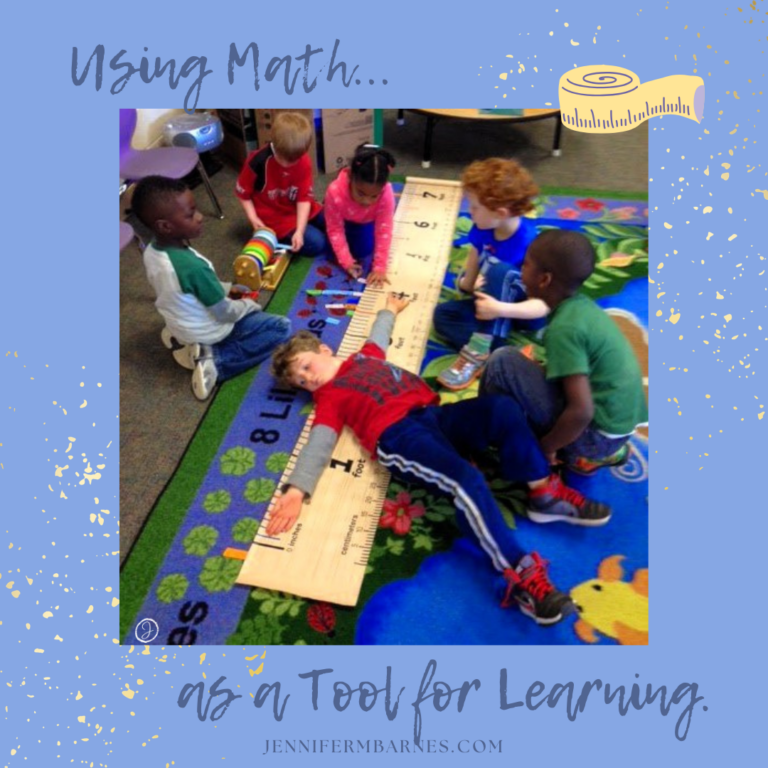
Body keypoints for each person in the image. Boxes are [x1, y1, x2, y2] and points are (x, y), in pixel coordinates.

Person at [266, 294, 613, 626]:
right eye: (301, 381)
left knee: (501, 409)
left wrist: (389, 308)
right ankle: (520, 572)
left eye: (306, 367)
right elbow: (320, 441)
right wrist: (297, 490)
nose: (308, 379)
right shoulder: (328, 397)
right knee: (466, 482)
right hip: (400, 437)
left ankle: (542, 491)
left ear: (324, 349)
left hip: (435, 416)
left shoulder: (364, 356)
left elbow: (379, 334)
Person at [481, 229, 648, 479]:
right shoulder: (581, 307)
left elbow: (582, 411)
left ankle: (487, 434)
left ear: (544, 279)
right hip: (619, 426)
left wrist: (547, 448)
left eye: (526, 264)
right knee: (531, 365)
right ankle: (580, 453)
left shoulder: (563, 329)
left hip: (595, 435)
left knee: (503, 361)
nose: (521, 270)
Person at [131, 175, 292, 401]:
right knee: (281, 328)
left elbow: (184, 289)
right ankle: (217, 361)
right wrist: (248, 305)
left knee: (218, 303)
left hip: (178, 323)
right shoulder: (194, 268)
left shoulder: (152, 252)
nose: (199, 218)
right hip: (209, 330)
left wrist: (226, 288)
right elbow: (225, 312)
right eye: (190, 214)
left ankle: (185, 340)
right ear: (165, 226)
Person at [433, 158, 547, 391]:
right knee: (443, 315)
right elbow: (474, 259)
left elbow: (543, 305)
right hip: (491, 306)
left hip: (522, 312)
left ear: (500, 212)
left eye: (474, 207)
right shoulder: (484, 227)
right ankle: (504, 355)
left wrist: (502, 309)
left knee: (501, 271)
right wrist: (468, 283)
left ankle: (478, 350)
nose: (469, 212)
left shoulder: (530, 245)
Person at [234, 112, 326, 256]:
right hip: (276, 218)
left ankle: (302, 231)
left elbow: (303, 199)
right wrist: (254, 218)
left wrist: (300, 231)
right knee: (318, 243)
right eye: (287, 159)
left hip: (299, 208)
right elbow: (243, 195)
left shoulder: (303, 160)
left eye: (296, 159)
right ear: (274, 145)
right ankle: (276, 238)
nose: (290, 164)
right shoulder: (257, 162)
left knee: (332, 219)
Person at [324, 144, 396, 289]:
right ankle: (321, 216)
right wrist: (347, 261)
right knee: (328, 240)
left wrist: (379, 268)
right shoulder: (334, 191)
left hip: (366, 222)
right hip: (343, 218)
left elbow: (384, 230)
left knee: (363, 250)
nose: (366, 201)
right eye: (361, 193)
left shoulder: (386, 192)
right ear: (351, 176)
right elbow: (335, 229)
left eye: (374, 196)